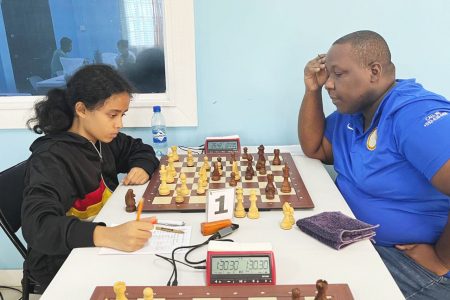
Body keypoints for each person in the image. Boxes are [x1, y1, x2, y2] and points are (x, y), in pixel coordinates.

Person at [298, 30, 450, 299]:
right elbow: (316, 149)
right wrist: (312, 89)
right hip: (353, 238)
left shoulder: (413, 116)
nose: (329, 84)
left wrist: (442, 259)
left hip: (410, 263)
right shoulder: (356, 112)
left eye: (338, 74)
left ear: (374, 71)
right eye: (328, 76)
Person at [22, 64, 160, 290]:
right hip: (59, 261)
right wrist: (106, 235)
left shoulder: (103, 139)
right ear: (82, 110)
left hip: (101, 236)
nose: (119, 124)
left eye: (122, 115)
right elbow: (38, 227)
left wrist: (142, 166)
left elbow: (139, 149)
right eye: (112, 115)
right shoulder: (50, 158)